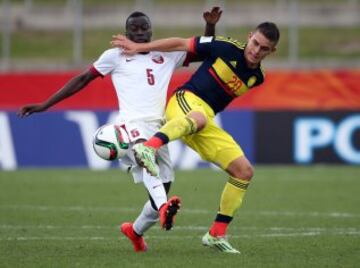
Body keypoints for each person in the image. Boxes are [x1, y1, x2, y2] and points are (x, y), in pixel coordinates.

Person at [17, 8, 222, 252]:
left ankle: (135, 232)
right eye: (133, 29)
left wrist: (209, 27)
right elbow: (83, 79)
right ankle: (165, 207)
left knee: (162, 187)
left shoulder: (165, 55)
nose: (139, 33)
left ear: (151, 31)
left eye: (143, 28)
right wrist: (45, 104)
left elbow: (205, 52)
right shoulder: (114, 56)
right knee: (145, 159)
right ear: (126, 32)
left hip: (159, 129)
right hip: (129, 127)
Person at [111, 22, 280, 253]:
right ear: (249, 37)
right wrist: (140, 46)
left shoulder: (257, 77)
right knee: (199, 117)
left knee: (244, 171)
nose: (256, 51)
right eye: (255, 43)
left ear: (272, 52)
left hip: (203, 119)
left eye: (264, 49)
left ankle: (216, 234)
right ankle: (148, 148)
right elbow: (182, 44)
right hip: (185, 101)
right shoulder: (225, 47)